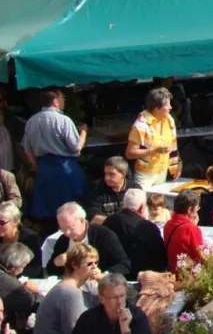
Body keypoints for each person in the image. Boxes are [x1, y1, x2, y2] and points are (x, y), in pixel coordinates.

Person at [21, 88, 88, 231]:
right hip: (66, 169)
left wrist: (38, 166)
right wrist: (83, 132)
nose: (64, 101)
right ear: (55, 101)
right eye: (63, 98)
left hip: (44, 169)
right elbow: (76, 147)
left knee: (49, 213)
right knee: (72, 209)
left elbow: (27, 150)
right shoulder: (63, 120)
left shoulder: (31, 121)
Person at [47, 202, 130, 278]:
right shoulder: (63, 241)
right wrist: (56, 262)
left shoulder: (103, 235)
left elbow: (124, 264)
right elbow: (50, 271)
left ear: (82, 221)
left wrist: (104, 275)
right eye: (63, 229)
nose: (67, 233)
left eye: (71, 228)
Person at [103, 189, 167, 280]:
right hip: (140, 279)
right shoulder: (148, 228)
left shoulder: (108, 221)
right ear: (141, 207)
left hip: (112, 276)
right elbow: (161, 261)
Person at [34, 244, 97, 334]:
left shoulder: (83, 285)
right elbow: (75, 330)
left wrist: (102, 280)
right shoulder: (70, 292)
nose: (95, 267)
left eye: (96, 263)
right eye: (89, 264)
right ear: (75, 265)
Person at [125, 88, 180, 190]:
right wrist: (154, 150)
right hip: (145, 175)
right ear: (156, 109)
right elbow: (130, 153)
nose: (170, 107)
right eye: (167, 105)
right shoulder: (140, 126)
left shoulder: (169, 120)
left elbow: (173, 145)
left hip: (163, 172)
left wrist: (178, 163)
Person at [72, 274, 152, 334]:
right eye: (113, 297)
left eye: (122, 296)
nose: (119, 301)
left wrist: (125, 330)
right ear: (101, 299)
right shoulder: (88, 319)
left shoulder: (137, 316)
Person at [87, 156, 141, 225]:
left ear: (123, 174)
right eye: (105, 173)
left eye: (112, 174)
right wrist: (117, 222)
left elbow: (141, 213)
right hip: (106, 229)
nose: (107, 178)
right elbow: (93, 217)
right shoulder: (97, 188)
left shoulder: (135, 188)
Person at [0, 243, 41, 333]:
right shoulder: (7, 282)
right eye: (23, 267)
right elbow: (32, 303)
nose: (22, 270)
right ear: (14, 267)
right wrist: (35, 291)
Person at [164, 190, 203, 275]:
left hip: (173, 271)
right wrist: (194, 227)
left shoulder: (168, 224)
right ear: (189, 210)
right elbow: (200, 256)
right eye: (197, 209)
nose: (197, 212)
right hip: (187, 275)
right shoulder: (191, 229)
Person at [0, 202, 41, 278]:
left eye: (1, 222)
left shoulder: (30, 237)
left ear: (15, 221)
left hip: (22, 280)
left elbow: (35, 266)